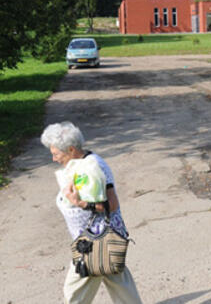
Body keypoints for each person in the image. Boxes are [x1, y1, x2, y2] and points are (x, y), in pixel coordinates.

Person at [41, 121, 142, 304]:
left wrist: (80, 203)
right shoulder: (79, 165)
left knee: (73, 293)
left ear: (71, 149)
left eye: (56, 154)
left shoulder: (93, 167)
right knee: (119, 281)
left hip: (95, 241)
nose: (54, 159)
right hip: (101, 239)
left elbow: (112, 204)